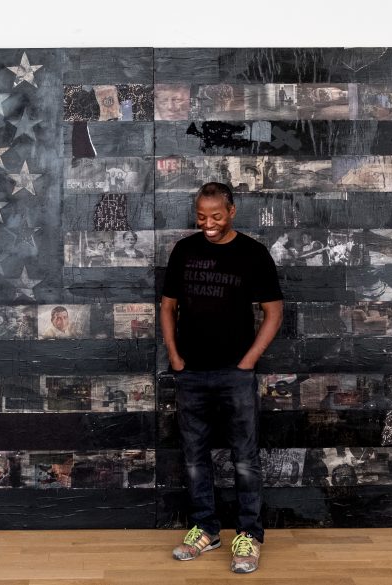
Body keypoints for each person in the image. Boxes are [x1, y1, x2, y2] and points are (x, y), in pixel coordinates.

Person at [160, 182, 283, 574]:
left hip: (235, 374)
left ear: (232, 211)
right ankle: (205, 529)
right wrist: (176, 357)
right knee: (195, 457)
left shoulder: (253, 254)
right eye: (201, 216)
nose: (208, 224)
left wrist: (248, 361)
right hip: (190, 373)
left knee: (245, 458)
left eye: (215, 216)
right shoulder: (184, 251)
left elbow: (274, 312)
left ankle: (248, 535)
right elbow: (167, 308)